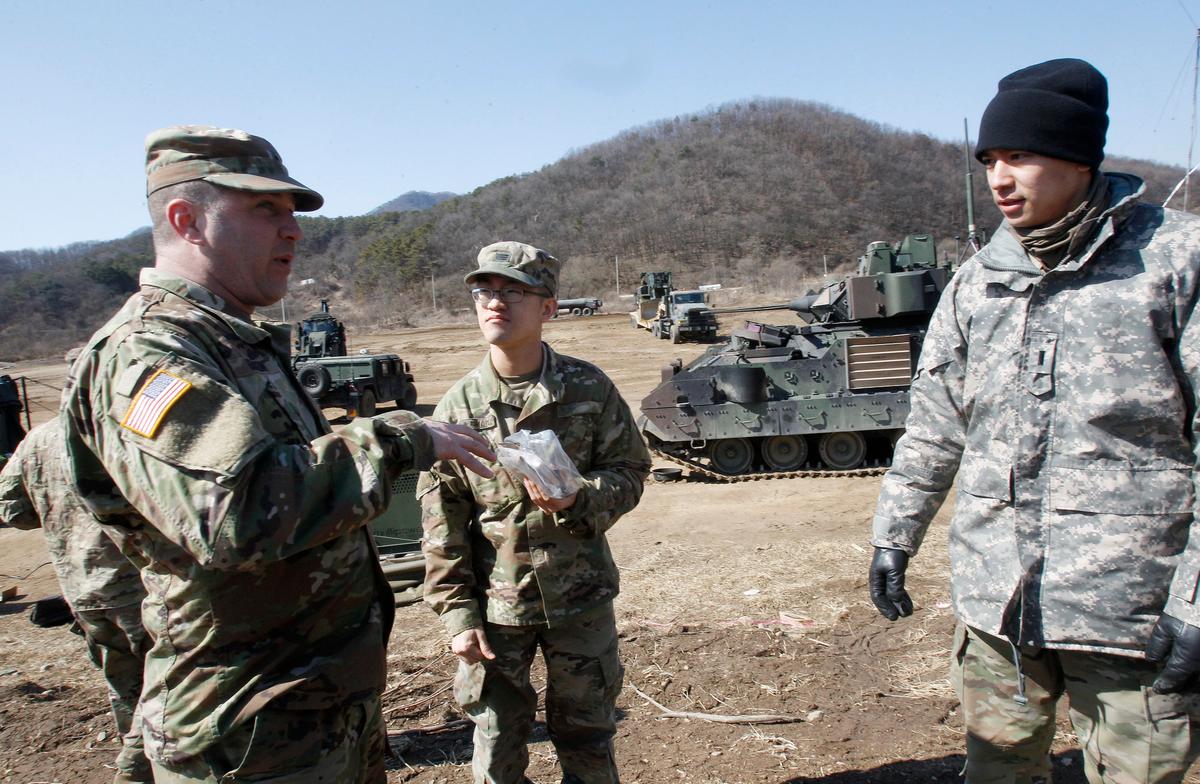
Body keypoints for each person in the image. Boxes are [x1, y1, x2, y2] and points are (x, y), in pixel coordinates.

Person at [60, 125, 496, 784]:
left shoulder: (239, 342)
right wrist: (403, 437)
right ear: (187, 220)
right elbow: (238, 508)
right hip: (246, 738)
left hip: (314, 717)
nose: (292, 230)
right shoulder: (147, 356)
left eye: (293, 214)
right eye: (266, 210)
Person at [868, 58, 1200, 783]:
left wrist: (1198, 600)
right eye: (989, 159)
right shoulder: (977, 280)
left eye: (1019, 155)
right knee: (998, 770)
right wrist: (895, 535)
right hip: (1000, 604)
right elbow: (935, 424)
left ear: (1078, 156)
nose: (999, 178)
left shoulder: (1174, 260)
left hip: (1131, 608)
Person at [420, 241, 651, 784]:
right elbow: (441, 523)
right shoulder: (457, 409)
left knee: (588, 737)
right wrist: (457, 614)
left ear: (548, 307)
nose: (494, 303)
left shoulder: (588, 388)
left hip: (581, 601)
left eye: (513, 292)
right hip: (497, 613)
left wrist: (580, 498)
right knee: (497, 747)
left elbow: (632, 471)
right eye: (485, 291)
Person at [0, 421, 151, 784]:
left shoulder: (37, 440)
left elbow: (13, 510)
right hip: (141, 589)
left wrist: (61, 509)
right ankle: (139, 774)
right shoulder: (125, 426)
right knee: (167, 695)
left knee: (128, 693)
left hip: (83, 591)